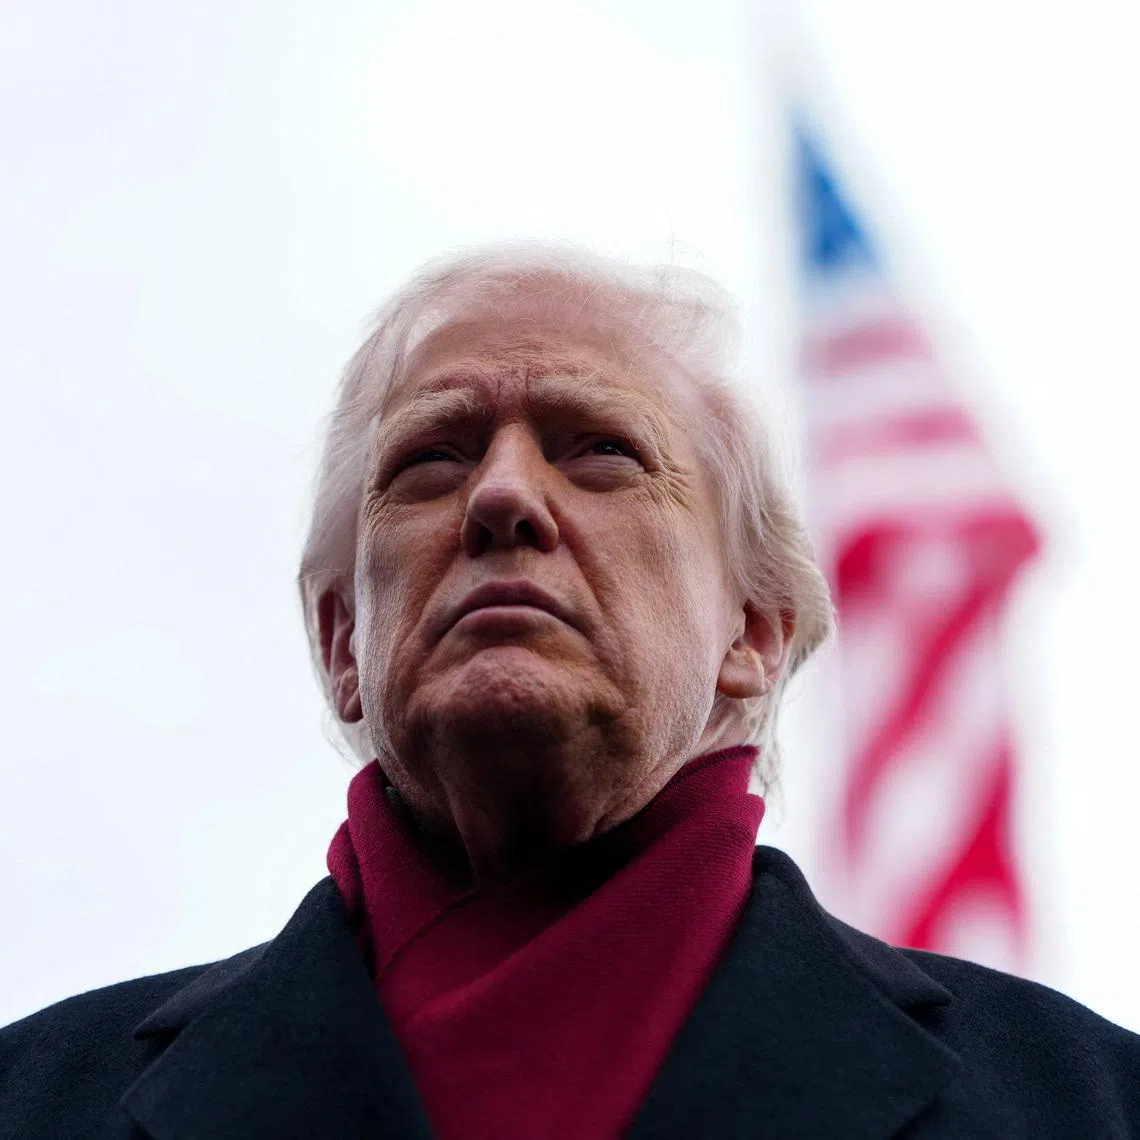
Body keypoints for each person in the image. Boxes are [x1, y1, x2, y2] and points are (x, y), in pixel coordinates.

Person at [2, 245, 1138, 1140]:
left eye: (599, 450)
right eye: (432, 458)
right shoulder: (35, 1097)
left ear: (752, 631)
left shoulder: (1091, 1104)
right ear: (344, 642)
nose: (502, 496)